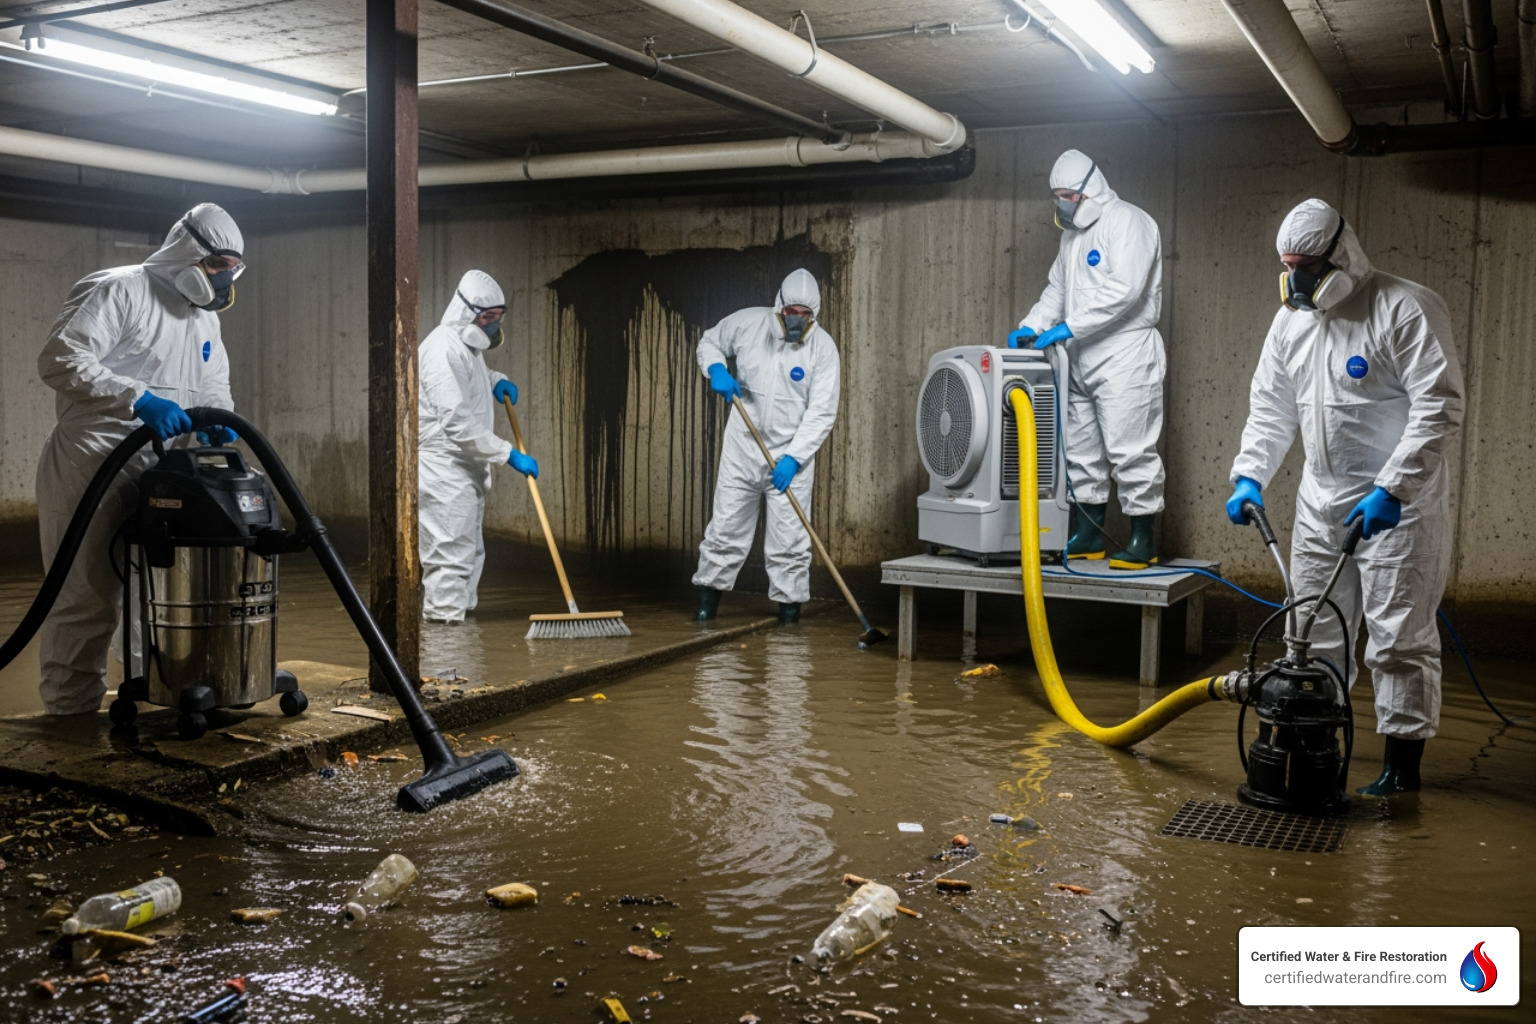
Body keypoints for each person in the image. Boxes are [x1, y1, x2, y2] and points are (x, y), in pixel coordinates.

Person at [1226, 198, 1464, 796]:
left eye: (1307, 267)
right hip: (1320, 501)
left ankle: (1401, 772)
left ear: (1341, 256)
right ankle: (1316, 751)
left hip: (1396, 508)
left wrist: (1393, 488)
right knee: (1309, 631)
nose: (1296, 281)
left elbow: (1439, 405)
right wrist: (1250, 474)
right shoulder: (1291, 323)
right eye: (1287, 268)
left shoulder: (1404, 307)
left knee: (1398, 638)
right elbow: (1272, 406)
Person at [35, 203, 244, 716]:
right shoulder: (118, 289)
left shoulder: (203, 320)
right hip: (94, 461)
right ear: (188, 252)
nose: (224, 277)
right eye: (218, 264)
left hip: (164, 469)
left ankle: (150, 696)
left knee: (154, 591)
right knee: (85, 594)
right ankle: (70, 716)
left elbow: (214, 383)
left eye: (233, 268)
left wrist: (218, 417)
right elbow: (60, 358)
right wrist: (138, 399)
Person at [1011, 149, 1166, 568]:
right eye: (1057, 196)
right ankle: (1089, 534)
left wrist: (1069, 326)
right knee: (1081, 450)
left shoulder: (1129, 221)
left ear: (1089, 190)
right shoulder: (1072, 238)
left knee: (1130, 449)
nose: (1062, 204)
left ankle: (1143, 539)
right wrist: (1032, 324)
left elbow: (1125, 289)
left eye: (1068, 196)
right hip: (1079, 356)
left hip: (1124, 354)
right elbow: (1057, 290)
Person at [693, 268, 840, 624]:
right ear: (779, 306)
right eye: (791, 311)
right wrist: (716, 369)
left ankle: (789, 616)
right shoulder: (748, 324)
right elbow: (710, 342)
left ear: (814, 315)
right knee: (725, 530)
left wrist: (794, 458)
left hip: (790, 459)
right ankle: (707, 607)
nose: (797, 319)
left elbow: (822, 411)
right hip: (743, 449)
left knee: (789, 542)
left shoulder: (822, 349)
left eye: (805, 314)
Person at [417, 270, 538, 624]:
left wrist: (495, 380)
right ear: (466, 312)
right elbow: (456, 422)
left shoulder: (465, 346)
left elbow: (470, 378)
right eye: (487, 318)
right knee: (450, 556)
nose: (493, 325)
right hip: (444, 469)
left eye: (498, 317)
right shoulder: (441, 349)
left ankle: (463, 634)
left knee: (469, 554)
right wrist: (507, 453)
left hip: (465, 468)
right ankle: (444, 636)